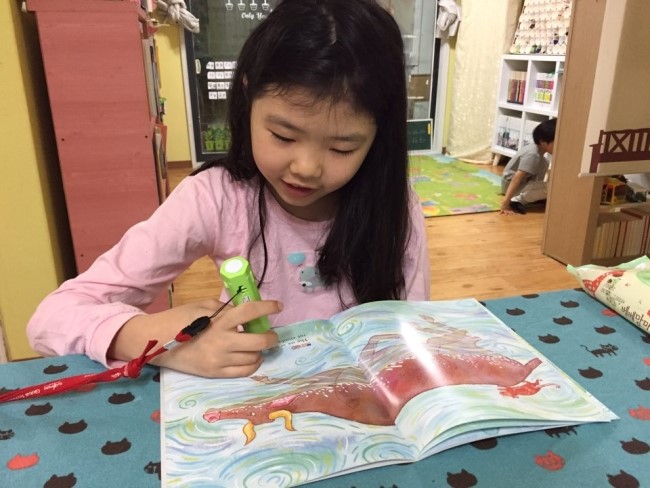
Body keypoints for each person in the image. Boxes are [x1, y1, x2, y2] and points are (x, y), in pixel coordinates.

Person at [27, 0, 430, 379]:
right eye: (283, 136)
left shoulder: (395, 204)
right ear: (248, 94)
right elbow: (50, 318)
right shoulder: (217, 198)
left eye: (342, 148)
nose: (306, 168)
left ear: (378, 137)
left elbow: (413, 327)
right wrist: (155, 339)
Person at [500, 118, 557, 215]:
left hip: (523, 184)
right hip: (510, 185)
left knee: (545, 163)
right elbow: (517, 177)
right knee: (552, 188)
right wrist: (506, 202)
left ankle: (530, 196)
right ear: (543, 141)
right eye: (555, 142)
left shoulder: (539, 154)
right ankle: (517, 200)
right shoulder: (533, 155)